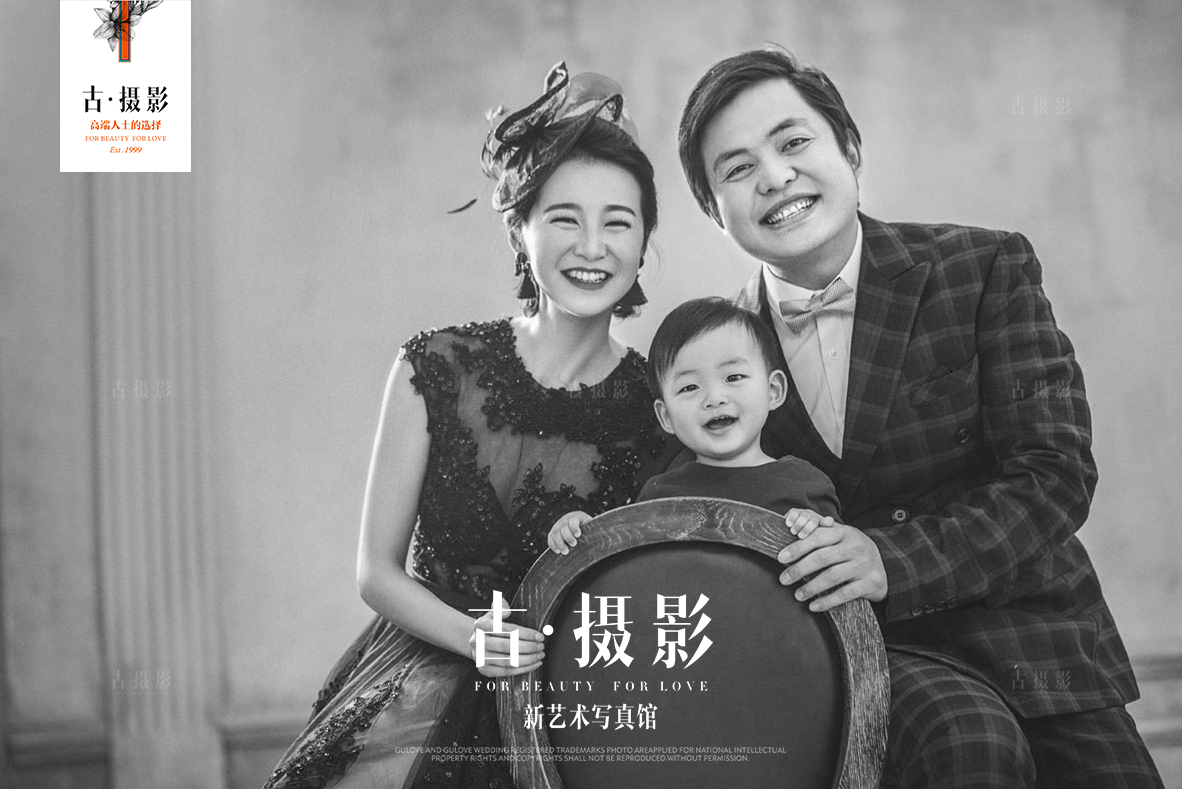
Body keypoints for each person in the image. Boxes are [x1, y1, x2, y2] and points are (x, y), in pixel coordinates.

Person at [674, 47, 1163, 788]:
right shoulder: (715, 359)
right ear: (715, 213)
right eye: (737, 169)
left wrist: (889, 560)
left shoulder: (984, 267)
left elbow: (1055, 473)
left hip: (1035, 634)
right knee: (970, 749)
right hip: (871, 652)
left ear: (850, 148)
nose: (774, 177)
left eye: (793, 142)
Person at [262, 62, 671, 789]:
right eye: (564, 218)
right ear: (520, 229)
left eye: (618, 221)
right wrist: (474, 638)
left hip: (575, 705)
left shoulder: (657, 406)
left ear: (643, 242)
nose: (592, 246)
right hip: (424, 679)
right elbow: (376, 572)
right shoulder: (435, 366)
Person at [548, 296, 840, 556]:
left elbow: (841, 575)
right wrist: (585, 534)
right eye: (689, 387)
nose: (714, 398)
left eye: (733, 377)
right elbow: (630, 571)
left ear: (773, 390)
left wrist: (817, 533)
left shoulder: (804, 485)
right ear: (665, 416)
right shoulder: (660, 495)